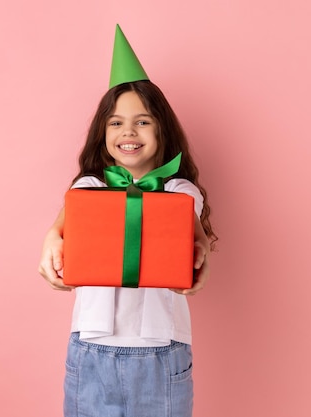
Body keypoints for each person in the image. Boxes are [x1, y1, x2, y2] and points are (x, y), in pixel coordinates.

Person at [38, 24, 217, 417]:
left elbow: (192, 225)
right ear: (103, 133)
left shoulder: (179, 189)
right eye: (116, 123)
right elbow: (67, 218)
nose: (128, 132)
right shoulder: (89, 185)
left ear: (162, 129)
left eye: (143, 121)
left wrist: (201, 246)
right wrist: (52, 239)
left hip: (161, 350)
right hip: (90, 349)